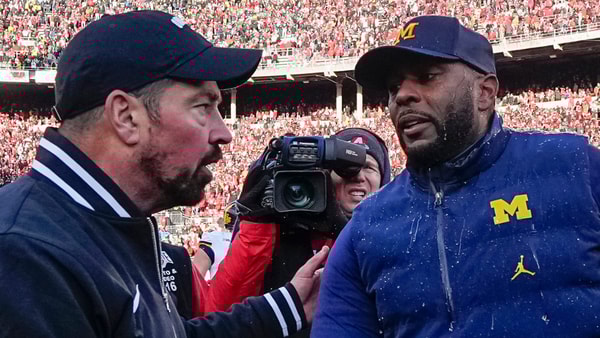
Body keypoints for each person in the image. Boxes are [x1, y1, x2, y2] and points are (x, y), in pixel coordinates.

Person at [0, 10, 328, 337]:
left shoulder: (100, 222)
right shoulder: (25, 255)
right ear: (127, 117)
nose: (224, 133)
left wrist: (288, 307)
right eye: (203, 107)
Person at [312, 15, 600, 337]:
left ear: (485, 93)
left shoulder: (574, 168)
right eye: (394, 88)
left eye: (426, 76)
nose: (402, 96)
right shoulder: (366, 227)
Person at [197, 128, 391, 337]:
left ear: (384, 180)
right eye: (345, 168)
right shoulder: (283, 231)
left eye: (369, 167)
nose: (358, 176)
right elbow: (220, 312)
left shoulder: (400, 235)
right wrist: (256, 224)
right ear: (325, 176)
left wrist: (342, 232)